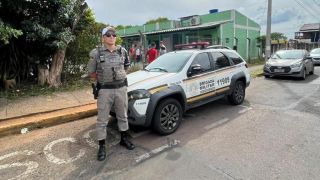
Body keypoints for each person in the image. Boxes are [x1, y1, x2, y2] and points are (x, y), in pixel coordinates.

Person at [87, 27, 135, 161]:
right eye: (108, 35)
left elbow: (126, 66)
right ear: (103, 38)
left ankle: (124, 139)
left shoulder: (122, 51)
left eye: (114, 34)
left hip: (121, 88)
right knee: (102, 119)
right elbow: (91, 72)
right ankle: (102, 146)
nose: (111, 37)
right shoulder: (96, 53)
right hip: (105, 90)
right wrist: (101, 82)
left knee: (123, 115)